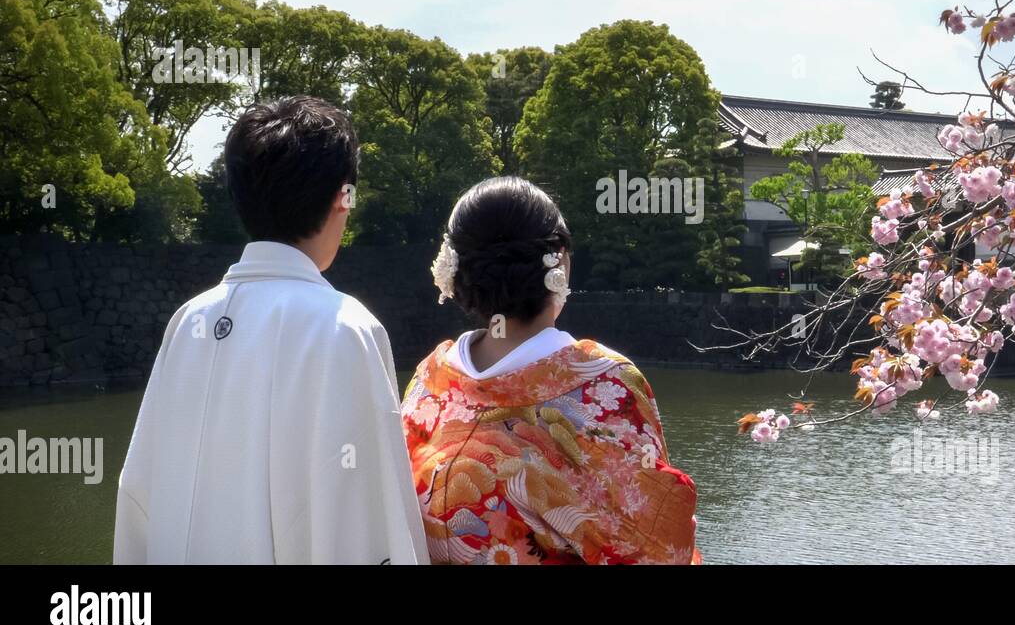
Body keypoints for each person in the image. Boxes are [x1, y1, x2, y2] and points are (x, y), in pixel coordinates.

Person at [114, 96, 428, 565]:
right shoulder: (345, 327)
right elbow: (368, 521)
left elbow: (138, 495)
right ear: (342, 198)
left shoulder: (189, 321)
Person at [401, 176, 701, 564]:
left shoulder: (430, 379)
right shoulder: (602, 382)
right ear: (558, 259)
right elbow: (656, 543)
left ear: (456, 271)